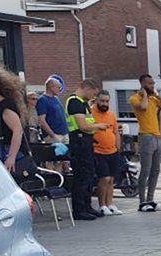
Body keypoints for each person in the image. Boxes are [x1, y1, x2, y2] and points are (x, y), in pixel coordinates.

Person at [66, 79, 108, 221]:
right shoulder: (74, 102)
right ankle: (79, 210)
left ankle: (87, 206)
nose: (93, 97)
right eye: (93, 94)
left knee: (89, 175)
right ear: (87, 88)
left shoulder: (83, 103)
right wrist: (98, 126)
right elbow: (83, 126)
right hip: (79, 143)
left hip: (86, 143)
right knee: (82, 177)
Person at [130, 74, 161, 211]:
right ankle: (142, 201)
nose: (152, 86)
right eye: (150, 84)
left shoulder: (153, 98)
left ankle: (151, 199)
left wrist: (156, 95)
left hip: (157, 136)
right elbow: (144, 107)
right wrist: (145, 95)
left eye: (153, 84)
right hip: (145, 136)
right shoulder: (135, 98)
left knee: (156, 170)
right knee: (145, 170)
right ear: (143, 84)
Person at [91, 90, 124, 216]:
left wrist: (118, 147)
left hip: (112, 151)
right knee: (103, 178)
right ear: (97, 100)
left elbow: (115, 132)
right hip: (98, 151)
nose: (104, 103)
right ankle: (102, 205)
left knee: (111, 179)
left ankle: (110, 203)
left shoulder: (111, 115)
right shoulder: (91, 113)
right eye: (102, 101)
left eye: (107, 101)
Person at [36, 75, 69, 172]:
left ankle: (61, 177)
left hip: (63, 133)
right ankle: (53, 177)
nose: (60, 89)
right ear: (51, 87)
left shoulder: (56, 99)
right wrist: (52, 135)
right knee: (52, 158)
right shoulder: (43, 100)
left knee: (62, 160)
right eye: (58, 87)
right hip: (53, 135)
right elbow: (42, 120)